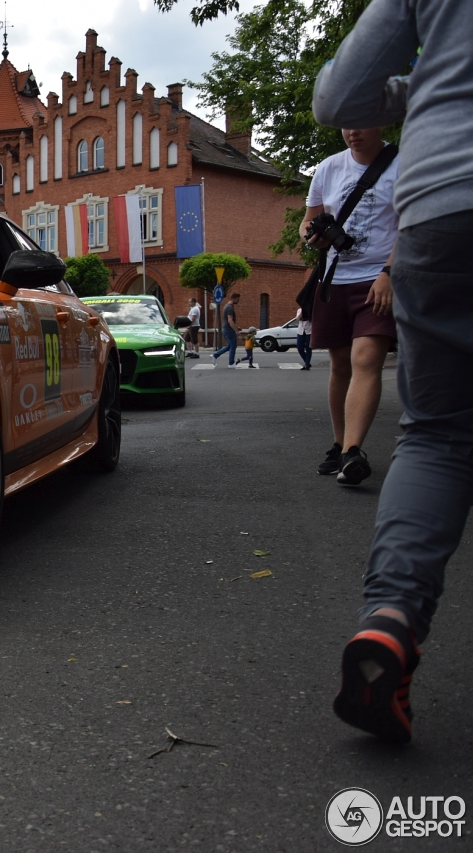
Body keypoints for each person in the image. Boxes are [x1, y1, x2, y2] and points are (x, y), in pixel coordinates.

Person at [314, 0, 473, 744]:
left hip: (440, 206)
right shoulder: (327, 171)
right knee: (349, 360)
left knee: (439, 435)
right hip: (364, 264)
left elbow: (339, 92)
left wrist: (427, 81)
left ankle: (391, 619)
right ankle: (344, 446)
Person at [301, 126, 399, 486]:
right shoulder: (328, 168)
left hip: (377, 281)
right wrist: (312, 235)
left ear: (380, 121)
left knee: (366, 359)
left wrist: (388, 273)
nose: (352, 132)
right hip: (334, 280)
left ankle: (353, 451)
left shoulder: (402, 164)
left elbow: (409, 226)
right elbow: (307, 221)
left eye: (360, 122)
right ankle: (340, 444)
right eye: (345, 124)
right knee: (341, 364)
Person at [211, 292, 241, 366]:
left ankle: (215, 355)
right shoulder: (230, 307)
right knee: (233, 346)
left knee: (230, 346)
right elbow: (230, 320)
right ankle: (231, 363)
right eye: (237, 299)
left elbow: (229, 320)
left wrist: (236, 326)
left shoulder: (226, 306)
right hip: (228, 329)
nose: (238, 301)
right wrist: (236, 330)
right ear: (233, 298)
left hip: (226, 328)